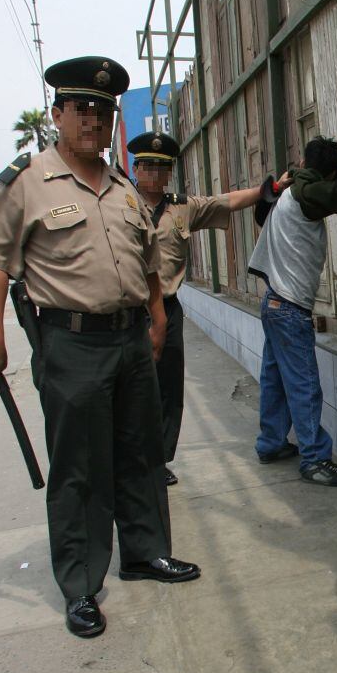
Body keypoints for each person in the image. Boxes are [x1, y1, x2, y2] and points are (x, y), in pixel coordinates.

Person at [0, 55, 198, 639]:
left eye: (103, 110)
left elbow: (148, 262)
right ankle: (80, 584)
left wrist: (156, 318)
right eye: (81, 109)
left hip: (130, 340)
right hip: (71, 345)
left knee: (141, 454)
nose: (93, 119)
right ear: (58, 114)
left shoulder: (123, 187)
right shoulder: (27, 181)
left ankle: (145, 552)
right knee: (80, 468)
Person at [126, 131, 275, 486]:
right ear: (135, 169)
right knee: (132, 389)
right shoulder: (120, 204)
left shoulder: (183, 207)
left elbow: (227, 201)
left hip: (168, 309)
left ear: (169, 172)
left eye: (162, 168)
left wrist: (269, 188)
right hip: (130, 313)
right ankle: (131, 460)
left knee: (168, 389)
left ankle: (159, 460)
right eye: (147, 166)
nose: (154, 174)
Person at [247, 127, 337, 487]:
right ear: (329, 175)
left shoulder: (290, 188)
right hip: (289, 308)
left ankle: (271, 443)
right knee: (304, 384)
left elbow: (313, 175)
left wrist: (334, 153)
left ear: (303, 162)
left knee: (275, 379)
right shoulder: (308, 194)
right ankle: (315, 458)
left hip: (273, 301)